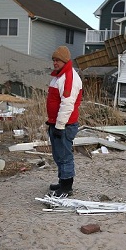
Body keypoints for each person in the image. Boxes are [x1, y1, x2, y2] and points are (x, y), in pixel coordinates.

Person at [46, 46, 83, 197]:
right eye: (54, 60)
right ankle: (62, 182)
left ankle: (67, 186)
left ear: (65, 61)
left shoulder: (69, 78)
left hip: (65, 125)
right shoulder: (59, 76)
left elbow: (67, 104)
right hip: (56, 123)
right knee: (58, 155)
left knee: (65, 156)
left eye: (58, 60)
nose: (55, 63)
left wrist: (60, 126)